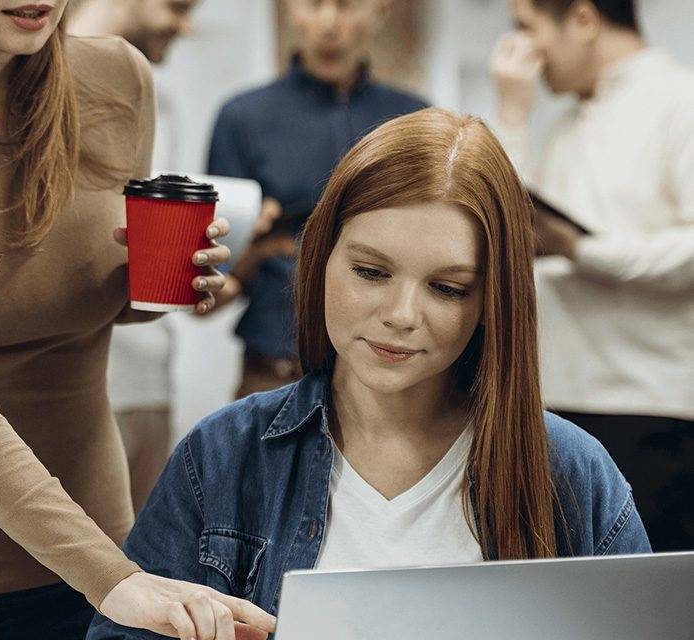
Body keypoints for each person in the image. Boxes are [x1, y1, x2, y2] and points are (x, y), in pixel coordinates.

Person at [87, 108, 651, 640]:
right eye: (371, 272)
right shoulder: (223, 456)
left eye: (447, 288)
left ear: (491, 300)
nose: (402, 315)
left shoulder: (571, 473)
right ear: (321, 259)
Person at [0, 1, 275, 638]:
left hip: (91, 563)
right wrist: (113, 578)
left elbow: (83, 306)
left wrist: (160, 286)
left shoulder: (119, 79)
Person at [491, 0, 694, 551]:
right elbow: (507, 223)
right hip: (558, 403)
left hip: (648, 409)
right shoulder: (567, 124)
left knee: (647, 595)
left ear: (583, 20)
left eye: (527, 28)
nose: (520, 49)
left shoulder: (679, 101)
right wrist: (512, 113)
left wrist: (583, 251)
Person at [207, 0, 428, 398]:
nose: (329, 22)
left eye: (346, 5)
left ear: (379, 11)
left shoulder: (414, 121)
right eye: (313, 3)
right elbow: (218, 270)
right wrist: (245, 251)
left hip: (389, 373)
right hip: (276, 369)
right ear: (290, 8)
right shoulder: (242, 118)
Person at [68, 0, 199, 515]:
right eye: (178, 6)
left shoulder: (161, 104)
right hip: (74, 388)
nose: (186, 26)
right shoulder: (32, 92)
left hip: (149, 381)